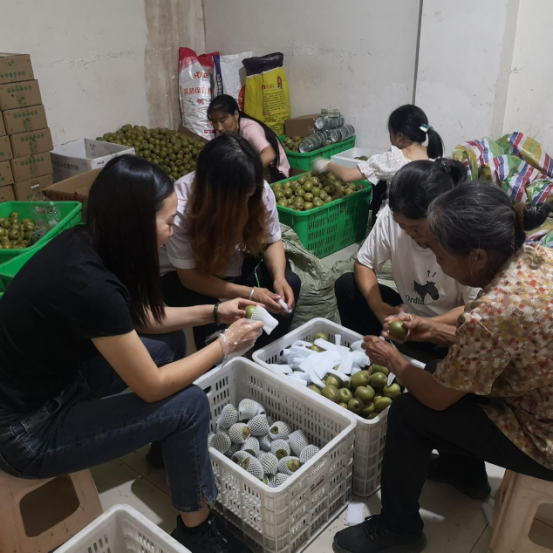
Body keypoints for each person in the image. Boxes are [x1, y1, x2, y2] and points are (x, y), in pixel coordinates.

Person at [0, 155, 263, 553]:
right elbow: (152, 387)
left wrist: (215, 311)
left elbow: (138, 317)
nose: (172, 230)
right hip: (24, 432)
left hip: (51, 384)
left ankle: (167, 446)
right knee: (190, 405)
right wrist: (224, 344)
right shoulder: (90, 285)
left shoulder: (88, 242)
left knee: (171, 345)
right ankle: (196, 531)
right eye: (168, 221)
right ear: (137, 223)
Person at [334, 182, 553, 553]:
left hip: (543, 436)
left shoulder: (494, 312)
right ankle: (465, 474)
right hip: (540, 392)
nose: (438, 265)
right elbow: (499, 343)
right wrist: (432, 328)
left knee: (409, 414)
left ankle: (399, 530)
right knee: (438, 367)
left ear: (477, 256)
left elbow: (438, 398)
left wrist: (392, 358)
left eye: (440, 255)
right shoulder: (533, 257)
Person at [160, 133, 301, 351]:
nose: (247, 199)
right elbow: (189, 277)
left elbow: (272, 241)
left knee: (288, 284)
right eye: (240, 196)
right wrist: (249, 293)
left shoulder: (259, 192)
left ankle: (262, 353)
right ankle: (217, 364)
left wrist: (279, 277)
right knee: (210, 314)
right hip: (184, 274)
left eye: (251, 191)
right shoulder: (182, 205)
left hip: (232, 260)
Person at [334, 159, 479, 358]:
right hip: (409, 315)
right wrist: (379, 308)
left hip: (447, 329)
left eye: (416, 228)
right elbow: (364, 263)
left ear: (440, 216)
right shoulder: (391, 217)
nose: (408, 233)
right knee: (347, 286)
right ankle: (366, 357)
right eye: (402, 226)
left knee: (444, 364)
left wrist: (428, 325)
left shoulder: (463, 242)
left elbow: (475, 310)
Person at [314, 105, 444, 224]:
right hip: (423, 224)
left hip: (396, 223)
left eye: (390, 132)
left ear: (399, 135)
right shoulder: (436, 155)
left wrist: (327, 164)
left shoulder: (393, 158)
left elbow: (347, 176)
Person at [208, 94, 291, 183]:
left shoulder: (249, 130)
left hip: (275, 172)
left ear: (236, 115)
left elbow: (269, 154)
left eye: (223, 121)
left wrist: (244, 172)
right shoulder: (222, 130)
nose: (219, 127)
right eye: (214, 122)